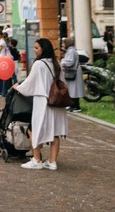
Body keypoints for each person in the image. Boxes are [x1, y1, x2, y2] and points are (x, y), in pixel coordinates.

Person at [13, 37, 68, 170]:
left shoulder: (39, 64)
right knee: (55, 132)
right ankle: (53, 161)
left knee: (33, 130)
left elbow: (29, 83)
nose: (34, 50)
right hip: (57, 102)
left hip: (43, 102)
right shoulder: (57, 64)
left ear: (44, 49)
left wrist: (17, 87)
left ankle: (36, 159)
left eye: (37, 47)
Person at [61, 37, 83, 113]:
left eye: (63, 43)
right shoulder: (71, 51)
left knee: (74, 90)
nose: (62, 45)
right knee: (72, 90)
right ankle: (72, 105)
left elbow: (70, 62)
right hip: (73, 72)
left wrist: (62, 62)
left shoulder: (71, 51)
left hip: (73, 72)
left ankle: (76, 106)